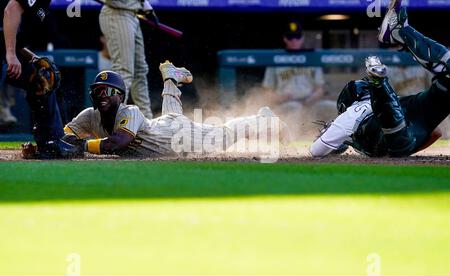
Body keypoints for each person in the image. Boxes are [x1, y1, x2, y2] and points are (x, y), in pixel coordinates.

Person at [60, 61, 288, 158]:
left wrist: (80, 145)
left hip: (178, 137)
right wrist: (52, 145)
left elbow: (116, 143)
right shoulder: (89, 115)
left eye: (108, 91)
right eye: (98, 90)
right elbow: (64, 135)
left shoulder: (130, 112)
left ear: (120, 95)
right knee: (172, 116)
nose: (102, 95)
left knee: (222, 137)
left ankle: (262, 119)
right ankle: (170, 79)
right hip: (164, 125)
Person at [310, 0, 449, 158]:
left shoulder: (348, 118)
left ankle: (380, 82)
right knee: (392, 118)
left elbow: (315, 151)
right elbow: (435, 133)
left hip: (398, 135)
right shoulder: (355, 110)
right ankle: (381, 79)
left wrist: (331, 134)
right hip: (397, 126)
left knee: (395, 125)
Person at [2, 0, 79, 158]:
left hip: (6, 49)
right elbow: (11, 9)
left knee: (42, 76)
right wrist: (10, 54)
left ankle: (50, 143)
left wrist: (31, 57)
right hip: (5, 52)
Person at [262, 20, 335, 137]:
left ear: (302, 38)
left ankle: (334, 140)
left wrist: (312, 97)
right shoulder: (276, 58)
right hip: (286, 105)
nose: (294, 41)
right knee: (295, 107)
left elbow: (319, 88)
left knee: (332, 106)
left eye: (297, 37)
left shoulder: (311, 58)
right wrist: (281, 97)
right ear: (285, 39)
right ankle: (293, 141)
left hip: (310, 103)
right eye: (290, 38)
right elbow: (267, 92)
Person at [99, 0, 153, 119]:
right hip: (116, 12)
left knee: (140, 71)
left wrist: (145, 6)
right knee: (123, 70)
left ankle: (146, 122)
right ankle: (113, 121)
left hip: (132, 14)